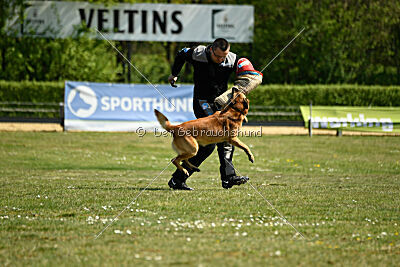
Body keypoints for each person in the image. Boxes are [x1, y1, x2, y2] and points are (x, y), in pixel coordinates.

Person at [166, 38, 254, 190]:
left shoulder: (233, 59)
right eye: (218, 56)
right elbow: (181, 54)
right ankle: (178, 179)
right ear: (211, 49)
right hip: (202, 101)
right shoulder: (197, 53)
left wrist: (250, 77)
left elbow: (247, 72)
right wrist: (174, 74)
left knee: (227, 138)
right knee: (209, 145)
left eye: (224, 57)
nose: (221, 60)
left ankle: (229, 177)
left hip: (222, 104)